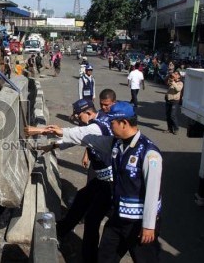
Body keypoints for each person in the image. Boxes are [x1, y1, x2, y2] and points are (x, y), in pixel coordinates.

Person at [47, 101, 163, 263]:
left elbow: (153, 191)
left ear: (123, 123)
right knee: (105, 257)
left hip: (138, 224)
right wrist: (62, 132)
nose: (109, 126)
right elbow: (88, 138)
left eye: (112, 123)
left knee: (145, 259)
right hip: (118, 219)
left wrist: (149, 226)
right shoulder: (116, 144)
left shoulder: (149, 153)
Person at [25, 98, 114, 263]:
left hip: (110, 182)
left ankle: (89, 257)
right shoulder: (100, 119)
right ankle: (61, 231)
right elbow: (76, 139)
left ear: (87, 112)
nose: (77, 119)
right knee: (82, 198)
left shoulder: (95, 126)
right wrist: (52, 147)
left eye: (78, 115)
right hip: (103, 179)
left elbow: (72, 134)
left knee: (94, 220)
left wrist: (36, 130)